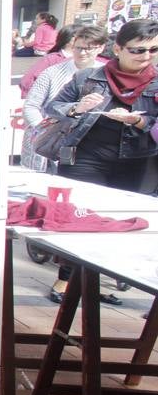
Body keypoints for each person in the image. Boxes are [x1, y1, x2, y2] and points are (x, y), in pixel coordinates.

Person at [43, 18, 158, 304]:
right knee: (81, 219)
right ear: (117, 49)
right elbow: (52, 106)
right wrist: (77, 108)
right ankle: (65, 280)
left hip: (138, 160)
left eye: (153, 50)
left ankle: (98, 283)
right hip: (87, 156)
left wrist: (141, 120)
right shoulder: (89, 77)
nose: (146, 56)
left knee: (120, 222)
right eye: (138, 50)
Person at [21, 25, 105, 171]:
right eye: (78, 48)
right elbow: (31, 105)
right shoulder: (52, 73)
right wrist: (43, 129)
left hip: (91, 144)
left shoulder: (106, 74)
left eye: (88, 48)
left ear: (101, 48)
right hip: (50, 142)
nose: (82, 53)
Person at [18, 25, 78, 98]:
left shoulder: (94, 60)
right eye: (82, 37)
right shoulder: (52, 59)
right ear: (69, 39)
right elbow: (27, 81)